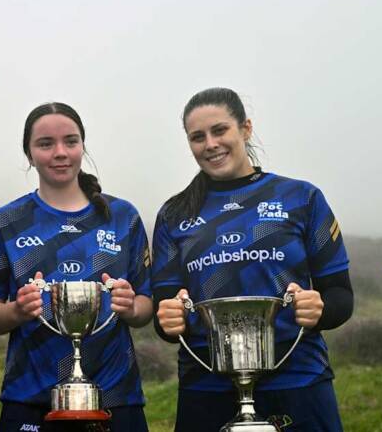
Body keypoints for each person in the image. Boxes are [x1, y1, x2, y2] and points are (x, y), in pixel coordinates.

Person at [151, 87, 354, 431]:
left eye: (220, 130)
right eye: (197, 137)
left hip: (297, 377)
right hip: (206, 384)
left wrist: (320, 310)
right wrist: (167, 320)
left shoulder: (301, 198)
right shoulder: (174, 214)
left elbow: (341, 295)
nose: (210, 144)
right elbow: (166, 311)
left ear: (245, 128)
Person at [0, 102, 153, 432]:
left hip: (115, 395)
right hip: (31, 398)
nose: (60, 152)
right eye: (45, 144)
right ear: (28, 154)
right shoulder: (7, 222)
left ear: (82, 146)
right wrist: (17, 310)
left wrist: (130, 306)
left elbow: (145, 308)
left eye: (70, 141)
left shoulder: (123, 217)